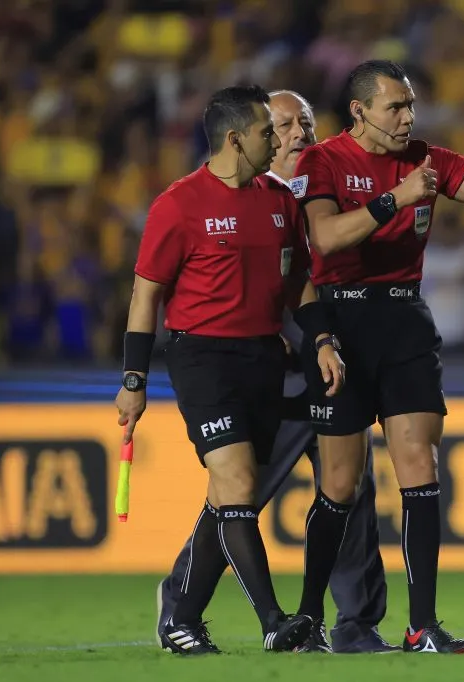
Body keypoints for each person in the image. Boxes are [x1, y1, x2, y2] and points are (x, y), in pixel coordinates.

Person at [279, 59, 464, 654]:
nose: (408, 117)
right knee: (339, 482)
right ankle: (308, 619)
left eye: (410, 105)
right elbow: (325, 238)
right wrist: (394, 199)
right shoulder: (323, 160)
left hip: (405, 320)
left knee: (420, 462)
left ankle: (422, 626)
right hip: (340, 323)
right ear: (358, 111)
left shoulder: (425, 160)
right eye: (395, 107)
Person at [154, 89, 399, 655]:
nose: (296, 135)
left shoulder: (334, 182)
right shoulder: (253, 193)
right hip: (276, 369)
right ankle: (181, 605)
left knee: (351, 490)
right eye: (283, 125)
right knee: (238, 493)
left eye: (306, 124)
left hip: (336, 360)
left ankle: (355, 624)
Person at [115, 84, 345, 655]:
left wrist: (320, 339)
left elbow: (299, 284)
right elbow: (145, 297)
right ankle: (273, 621)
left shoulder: (279, 201)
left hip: (264, 358)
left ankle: (182, 618)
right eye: (268, 131)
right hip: (202, 358)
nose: (279, 141)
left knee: (229, 497)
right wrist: (133, 380)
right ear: (234, 138)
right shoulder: (179, 204)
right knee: (238, 483)